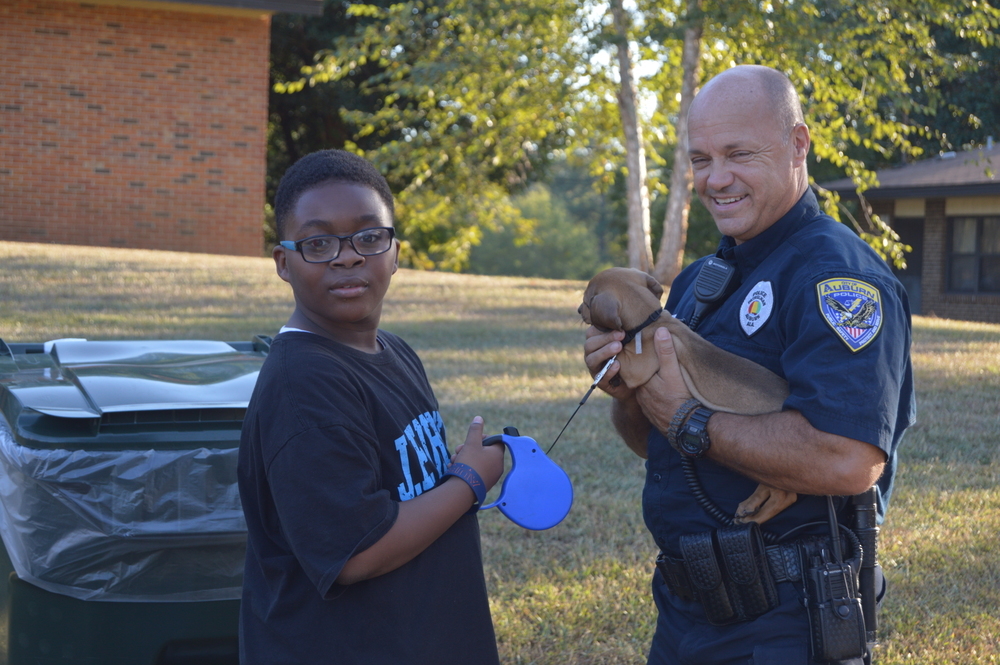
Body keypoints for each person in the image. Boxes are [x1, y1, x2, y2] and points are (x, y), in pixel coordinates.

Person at [584, 65, 915, 664]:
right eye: (701, 159)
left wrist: (690, 419)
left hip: (783, 626)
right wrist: (627, 393)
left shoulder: (837, 279)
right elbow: (655, 444)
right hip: (685, 615)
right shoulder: (698, 283)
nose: (716, 178)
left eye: (738, 154)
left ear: (797, 144)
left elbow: (848, 459)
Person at [238, 149, 505, 664]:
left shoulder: (395, 351)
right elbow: (355, 553)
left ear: (395, 252)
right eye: (318, 243)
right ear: (283, 262)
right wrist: (469, 481)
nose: (348, 256)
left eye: (369, 237)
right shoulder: (304, 388)